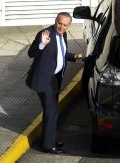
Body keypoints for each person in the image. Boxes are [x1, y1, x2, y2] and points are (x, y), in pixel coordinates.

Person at [25, 12, 83, 154]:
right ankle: (48, 145)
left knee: (51, 111)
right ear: (55, 21)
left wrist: (74, 56)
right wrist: (41, 45)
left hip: (55, 78)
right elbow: (31, 53)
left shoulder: (63, 35)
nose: (61, 27)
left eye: (64, 25)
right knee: (51, 111)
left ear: (68, 26)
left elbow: (62, 53)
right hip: (44, 79)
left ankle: (48, 139)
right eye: (59, 23)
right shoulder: (44, 34)